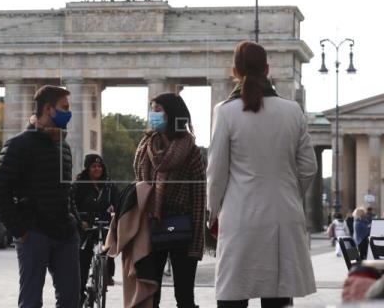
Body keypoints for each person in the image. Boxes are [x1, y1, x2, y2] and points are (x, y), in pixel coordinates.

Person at [207, 41, 318, 308]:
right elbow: (308, 167)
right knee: (277, 296)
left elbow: (217, 172)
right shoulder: (292, 111)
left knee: (233, 294)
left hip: (240, 217)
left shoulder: (225, 111)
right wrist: (290, 192)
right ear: (268, 69)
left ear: (234, 70)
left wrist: (213, 213)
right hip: (283, 216)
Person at [0, 85, 81, 308]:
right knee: (31, 301)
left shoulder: (64, 147)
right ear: (49, 109)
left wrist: (76, 222)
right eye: (65, 107)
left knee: (71, 299)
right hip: (34, 233)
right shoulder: (18, 145)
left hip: (65, 233)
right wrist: (20, 231)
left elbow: (65, 190)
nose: (69, 113)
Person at [134, 92, 206, 308]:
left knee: (184, 296)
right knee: (149, 291)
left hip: (183, 228)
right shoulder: (146, 145)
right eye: (152, 110)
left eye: (158, 110)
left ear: (172, 114)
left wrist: (197, 238)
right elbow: (138, 184)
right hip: (151, 225)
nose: (152, 115)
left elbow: (199, 195)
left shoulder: (190, 150)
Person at [72, 154, 119, 305]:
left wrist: (116, 216)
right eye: (93, 166)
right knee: (83, 260)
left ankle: (107, 274)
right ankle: (80, 295)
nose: (97, 169)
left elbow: (117, 203)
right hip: (85, 226)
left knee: (109, 245)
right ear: (87, 168)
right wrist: (81, 221)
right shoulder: (79, 185)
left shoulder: (109, 185)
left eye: (99, 166)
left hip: (104, 224)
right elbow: (73, 206)